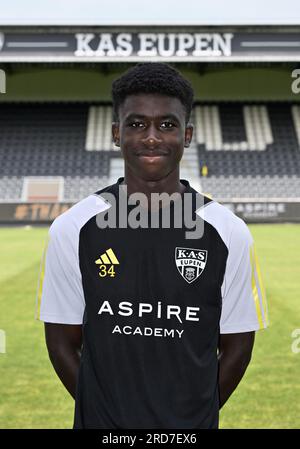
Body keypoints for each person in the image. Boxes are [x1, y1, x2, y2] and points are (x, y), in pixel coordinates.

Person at [37, 62, 268, 429]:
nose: (151, 137)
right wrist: (105, 418)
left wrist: (190, 419)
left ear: (187, 134)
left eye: (167, 125)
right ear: (116, 133)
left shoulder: (229, 232)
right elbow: (62, 344)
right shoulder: (73, 228)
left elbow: (238, 348)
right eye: (136, 124)